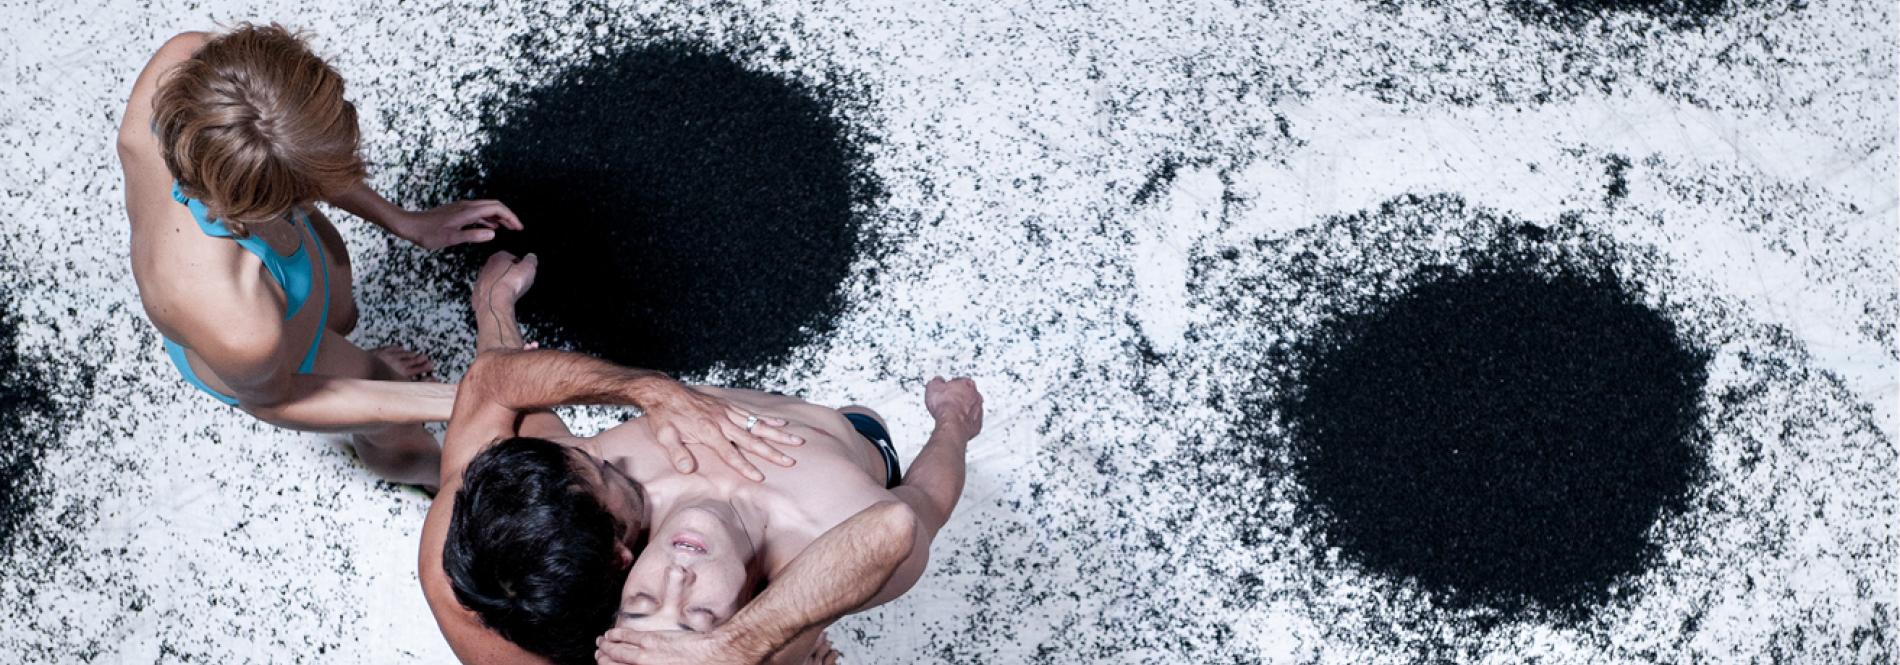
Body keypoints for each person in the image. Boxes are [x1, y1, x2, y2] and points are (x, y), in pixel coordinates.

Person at [420, 252, 982, 665]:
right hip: (841, 435)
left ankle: (484, 322)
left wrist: (497, 309)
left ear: (622, 572)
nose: (676, 578)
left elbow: (494, 385)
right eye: (700, 614)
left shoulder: (567, 493)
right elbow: (910, 514)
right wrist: (952, 423)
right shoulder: (824, 537)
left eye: (644, 600)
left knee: (510, 435)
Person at [117, 23, 520, 485]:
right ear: (271, 198)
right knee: (389, 406)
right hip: (279, 365)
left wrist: (404, 221)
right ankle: (437, 477)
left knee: (342, 313)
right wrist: (465, 396)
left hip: (272, 253)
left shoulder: (190, 64)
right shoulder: (235, 320)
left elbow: (284, 146)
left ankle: (350, 348)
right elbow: (278, 401)